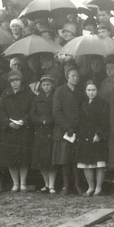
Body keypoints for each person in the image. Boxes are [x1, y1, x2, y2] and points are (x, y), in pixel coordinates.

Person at [0, 70, 34, 192]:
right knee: (10, 158)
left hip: (23, 129)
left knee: (23, 157)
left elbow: (32, 109)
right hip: (9, 130)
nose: (15, 83)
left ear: (21, 81)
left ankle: (23, 183)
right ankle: (15, 183)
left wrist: (23, 121)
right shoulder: (5, 94)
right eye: (12, 81)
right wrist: (8, 123)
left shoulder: (28, 93)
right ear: (9, 82)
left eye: (17, 80)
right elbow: (1, 111)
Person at [52, 65, 83, 195]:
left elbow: (83, 110)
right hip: (64, 131)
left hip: (77, 130)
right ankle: (66, 185)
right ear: (67, 77)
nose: (75, 78)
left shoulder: (81, 91)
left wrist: (76, 127)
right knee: (64, 159)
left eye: (77, 76)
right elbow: (56, 111)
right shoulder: (60, 91)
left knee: (76, 158)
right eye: (73, 76)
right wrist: (67, 127)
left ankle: (77, 185)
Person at [76, 80, 109, 196]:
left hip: (97, 136)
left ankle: (98, 188)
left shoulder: (102, 103)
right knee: (86, 164)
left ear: (97, 91)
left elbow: (105, 121)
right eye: (89, 90)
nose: (91, 92)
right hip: (85, 136)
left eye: (93, 90)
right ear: (86, 91)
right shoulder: (83, 104)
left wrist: (99, 134)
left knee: (99, 164)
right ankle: (91, 187)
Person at [30, 74, 57, 193]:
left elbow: (57, 112)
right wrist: (41, 121)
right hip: (40, 130)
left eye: (48, 85)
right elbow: (32, 114)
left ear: (52, 85)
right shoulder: (37, 98)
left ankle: (52, 185)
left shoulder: (55, 97)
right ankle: (46, 184)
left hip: (51, 130)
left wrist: (49, 120)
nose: (46, 87)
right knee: (41, 160)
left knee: (51, 159)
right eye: (44, 85)